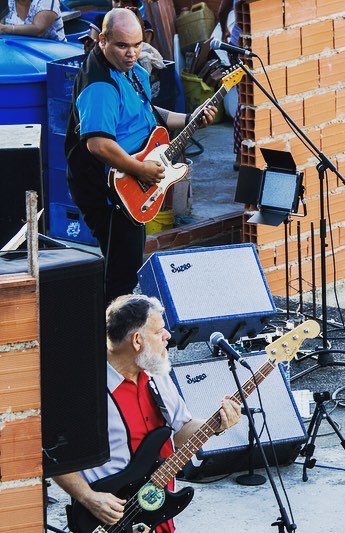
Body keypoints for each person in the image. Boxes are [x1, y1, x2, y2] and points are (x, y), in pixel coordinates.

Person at [52, 294, 242, 532]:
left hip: (156, 512)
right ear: (137, 340)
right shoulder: (84, 390)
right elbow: (53, 457)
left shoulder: (157, 375)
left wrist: (217, 424)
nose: (167, 337)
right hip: (107, 519)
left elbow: (181, 430)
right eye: (159, 331)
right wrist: (89, 497)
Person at [65, 8, 216, 303]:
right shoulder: (99, 85)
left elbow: (147, 114)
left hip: (134, 173)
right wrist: (140, 169)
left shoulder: (134, 71)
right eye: (122, 46)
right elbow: (98, 144)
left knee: (127, 263)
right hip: (109, 186)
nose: (131, 53)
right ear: (102, 41)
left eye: (136, 45)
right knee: (121, 271)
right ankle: (109, 338)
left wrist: (189, 118)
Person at [217, 0, 242, 171]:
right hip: (241, 48)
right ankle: (241, 154)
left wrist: (225, 29)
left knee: (245, 101)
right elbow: (223, 9)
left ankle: (241, 155)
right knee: (247, 103)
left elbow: (222, 11)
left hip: (236, 44)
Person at [0, 0, 65, 41]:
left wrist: (5, 29)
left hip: (53, 54)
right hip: (18, 52)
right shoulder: (6, 2)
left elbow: (39, 30)